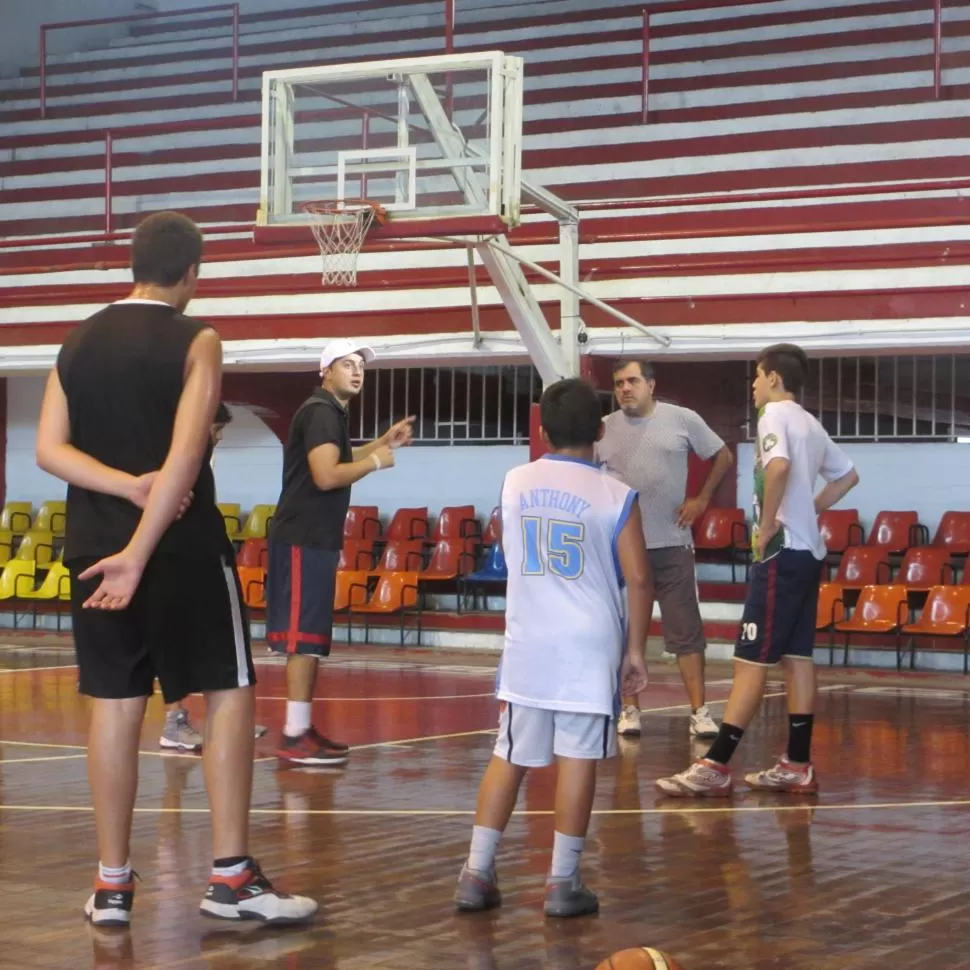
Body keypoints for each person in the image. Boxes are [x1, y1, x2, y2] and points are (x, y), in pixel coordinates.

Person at [37, 210, 316, 927]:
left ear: (134, 264)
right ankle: (230, 878)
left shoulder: (75, 341)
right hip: (180, 549)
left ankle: (111, 887)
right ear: (192, 273)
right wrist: (142, 541)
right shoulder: (199, 338)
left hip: (91, 546)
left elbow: (50, 452)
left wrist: (123, 490)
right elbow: (188, 456)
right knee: (229, 688)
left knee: (115, 701)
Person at [453, 378, 652, 918]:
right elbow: (638, 579)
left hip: (529, 643)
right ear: (602, 429)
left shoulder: (516, 481)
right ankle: (562, 882)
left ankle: (476, 873)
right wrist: (635, 652)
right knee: (579, 758)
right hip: (589, 645)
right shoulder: (616, 494)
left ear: (541, 432)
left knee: (509, 754)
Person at [656, 343, 858, 797]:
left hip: (781, 553)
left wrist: (767, 526)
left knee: (750, 661)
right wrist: (808, 509)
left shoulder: (774, 416)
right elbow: (848, 477)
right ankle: (798, 764)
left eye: (756, 376)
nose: (751, 385)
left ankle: (715, 764)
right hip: (809, 553)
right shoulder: (810, 422)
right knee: (797, 658)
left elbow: (780, 466)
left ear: (772, 378)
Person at [266, 337, 413, 766]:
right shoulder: (320, 412)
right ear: (325, 372)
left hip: (314, 538)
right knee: (302, 639)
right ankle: (293, 734)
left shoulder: (329, 413)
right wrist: (376, 462)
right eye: (346, 364)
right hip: (302, 537)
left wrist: (381, 443)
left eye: (360, 365)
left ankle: (301, 727)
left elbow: (339, 459)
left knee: (310, 638)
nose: (356, 371)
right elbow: (328, 475)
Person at [597, 360, 734, 739]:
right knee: (626, 633)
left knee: (686, 633)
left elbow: (723, 455)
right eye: (619, 383)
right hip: (623, 550)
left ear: (651, 385)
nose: (625, 388)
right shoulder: (603, 429)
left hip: (673, 545)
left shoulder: (682, 419)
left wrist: (702, 499)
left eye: (633, 381)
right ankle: (629, 709)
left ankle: (699, 712)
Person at [159, 403, 243, 751]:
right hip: (194, 559)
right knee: (210, 645)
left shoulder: (188, 460)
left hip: (187, 557)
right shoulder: (185, 458)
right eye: (216, 428)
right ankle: (205, 721)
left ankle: (215, 719)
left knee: (184, 642)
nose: (219, 437)